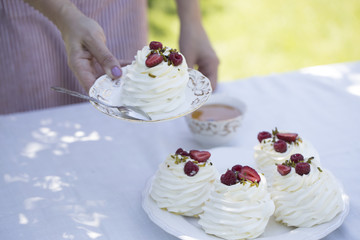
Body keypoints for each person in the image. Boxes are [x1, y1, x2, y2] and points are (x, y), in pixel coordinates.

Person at [0, 0, 219, 114]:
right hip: (30, 13)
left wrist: (192, 20)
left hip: (119, 9)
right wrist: (65, 15)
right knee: (37, 121)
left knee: (129, 108)